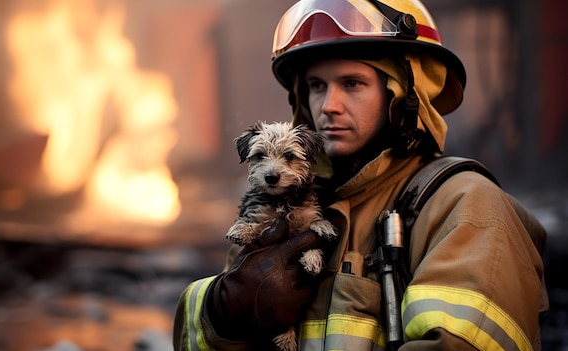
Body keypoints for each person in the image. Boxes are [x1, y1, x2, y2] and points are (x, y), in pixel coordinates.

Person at [173, 0, 548, 350]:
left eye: (352, 83)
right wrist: (221, 313)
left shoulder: (466, 205)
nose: (328, 107)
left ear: (401, 96)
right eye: (317, 86)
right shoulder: (280, 202)